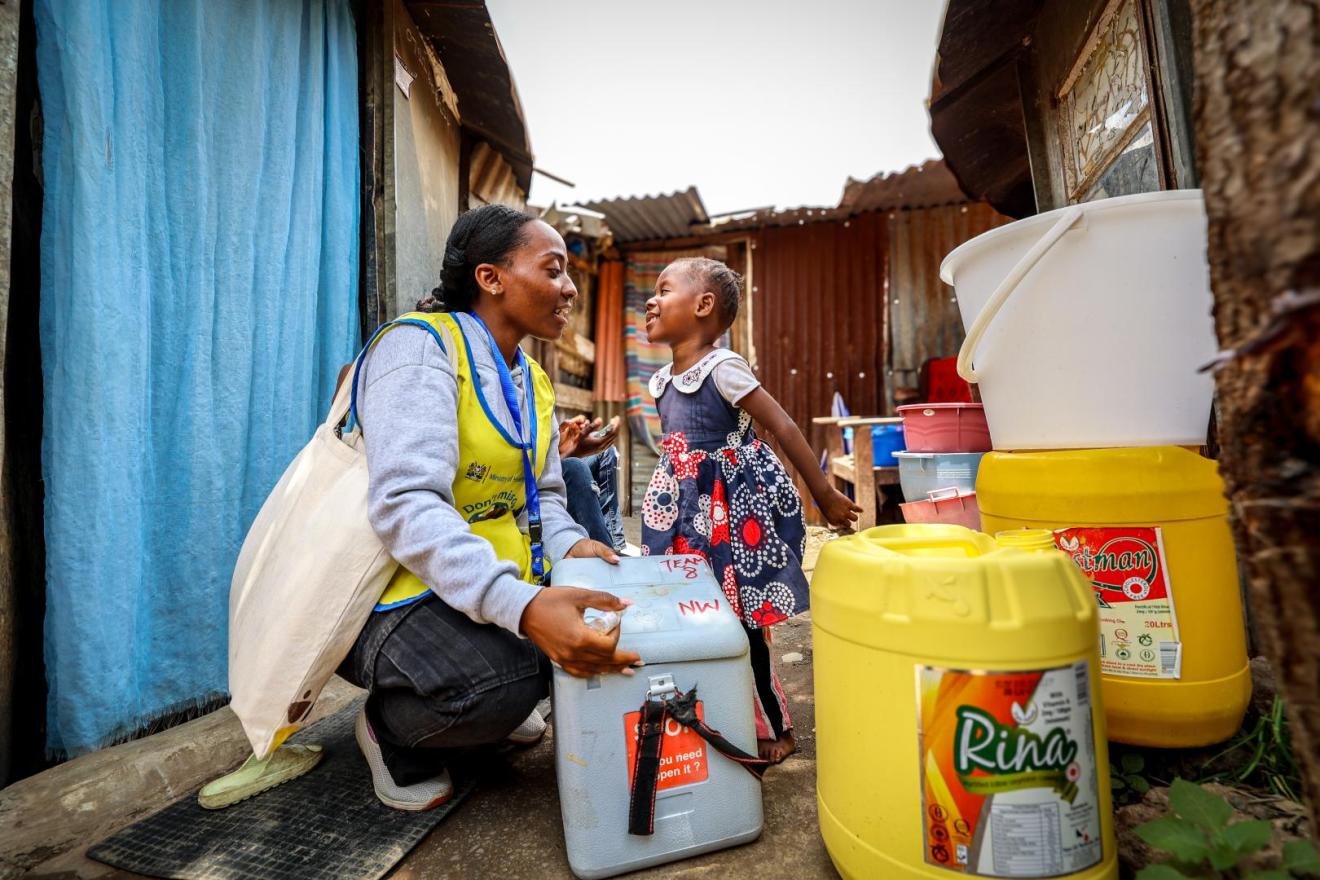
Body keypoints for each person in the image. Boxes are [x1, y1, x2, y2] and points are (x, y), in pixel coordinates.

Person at [344, 204, 640, 811]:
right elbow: (406, 504)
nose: (569, 288)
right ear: (491, 277)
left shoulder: (531, 378)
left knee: (579, 644)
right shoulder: (419, 349)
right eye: (553, 270)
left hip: (468, 581)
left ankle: (488, 693)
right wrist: (523, 607)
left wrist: (571, 547)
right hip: (389, 593)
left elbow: (548, 497)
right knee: (505, 678)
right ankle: (391, 731)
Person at [641, 257, 860, 764]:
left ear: (703, 305)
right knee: (695, 611)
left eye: (663, 289)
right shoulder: (662, 382)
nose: (650, 300)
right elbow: (679, 456)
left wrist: (822, 494)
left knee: (742, 617)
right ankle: (717, 708)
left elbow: (781, 427)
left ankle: (774, 724)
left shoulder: (724, 367)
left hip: (731, 517)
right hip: (683, 517)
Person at [559, 415, 627, 552]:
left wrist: (562, 441)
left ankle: (615, 542)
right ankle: (606, 552)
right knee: (575, 468)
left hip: (552, 458)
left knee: (607, 450)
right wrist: (565, 454)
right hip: (538, 474)